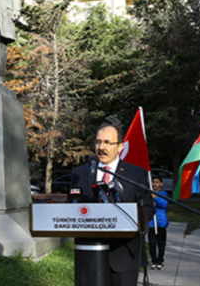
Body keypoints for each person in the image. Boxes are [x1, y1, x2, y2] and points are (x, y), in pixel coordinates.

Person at [70, 122, 155, 286]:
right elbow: (72, 205)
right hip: (88, 254)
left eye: (107, 142)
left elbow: (149, 208)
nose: (101, 147)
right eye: (98, 142)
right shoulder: (79, 174)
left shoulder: (135, 174)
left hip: (123, 256)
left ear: (120, 146)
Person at [148, 175, 169, 270]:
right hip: (151, 223)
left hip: (161, 222)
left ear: (161, 184)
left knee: (161, 243)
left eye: (157, 182)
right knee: (152, 243)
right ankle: (154, 260)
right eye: (153, 182)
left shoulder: (163, 193)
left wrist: (155, 197)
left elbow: (164, 204)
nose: (154, 184)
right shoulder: (148, 193)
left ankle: (160, 260)